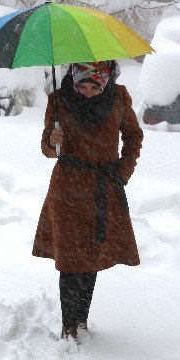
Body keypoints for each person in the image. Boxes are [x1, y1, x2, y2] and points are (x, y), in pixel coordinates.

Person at [32, 60, 144, 343]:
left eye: (94, 86)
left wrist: (122, 171)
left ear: (105, 81)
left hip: (102, 189)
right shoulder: (58, 101)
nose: (87, 92)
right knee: (70, 259)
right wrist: (53, 141)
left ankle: (81, 320)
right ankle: (69, 327)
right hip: (68, 189)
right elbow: (48, 148)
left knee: (91, 258)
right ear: (73, 78)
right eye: (81, 85)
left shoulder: (118, 99)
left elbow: (134, 135)